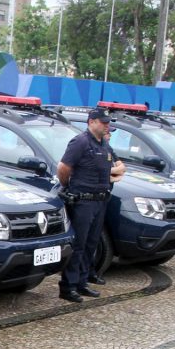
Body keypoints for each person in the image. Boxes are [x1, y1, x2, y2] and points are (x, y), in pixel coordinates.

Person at [57, 108, 124, 301]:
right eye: (103, 122)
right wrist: (68, 186)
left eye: (108, 122)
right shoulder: (81, 142)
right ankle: (68, 287)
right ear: (91, 122)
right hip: (83, 201)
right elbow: (63, 168)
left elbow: (119, 167)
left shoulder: (104, 144)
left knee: (90, 244)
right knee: (78, 245)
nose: (107, 126)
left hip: (100, 201)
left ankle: (81, 282)